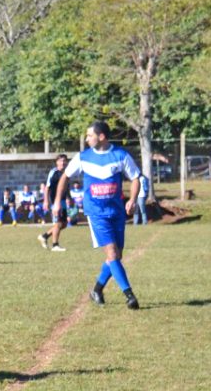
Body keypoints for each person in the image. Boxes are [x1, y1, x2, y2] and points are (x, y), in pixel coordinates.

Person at [52, 120, 142, 310]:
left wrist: (132, 199)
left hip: (116, 212)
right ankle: (129, 295)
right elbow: (65, 177)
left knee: (116, 256)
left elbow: (135, 178)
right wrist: (56, 202)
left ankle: (97, 289)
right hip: (96, 213)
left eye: (90, 135)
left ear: (101, 137)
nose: (87, 139)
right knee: (111, 253)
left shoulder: (120, 155)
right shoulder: (83, 157)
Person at [38, 154, 70, 251]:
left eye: (64, 161)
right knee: (58, 223)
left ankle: (44, 236)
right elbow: (47, 187)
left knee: (64, 223)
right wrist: (46, 201)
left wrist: (69, 197)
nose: (62, 163)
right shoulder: (54, 173)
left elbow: (66, 187)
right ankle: (55, 245)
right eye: (60, 161)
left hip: (63, 201)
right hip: (55, 202)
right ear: (56, 162)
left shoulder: (66, 173)